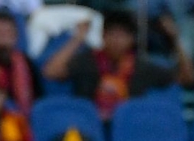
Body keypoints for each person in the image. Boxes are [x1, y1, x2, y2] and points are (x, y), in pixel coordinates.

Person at [46, 12, 174, 120]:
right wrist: (78, 38)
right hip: (90, 125)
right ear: (102, 36)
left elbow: (188, 78)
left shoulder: (142, 67)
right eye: (112, 34)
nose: (116, 40)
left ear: (132, 39)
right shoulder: (86, 61)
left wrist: (175, 39)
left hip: (127, 128)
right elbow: (50, 72)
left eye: (122, 35)